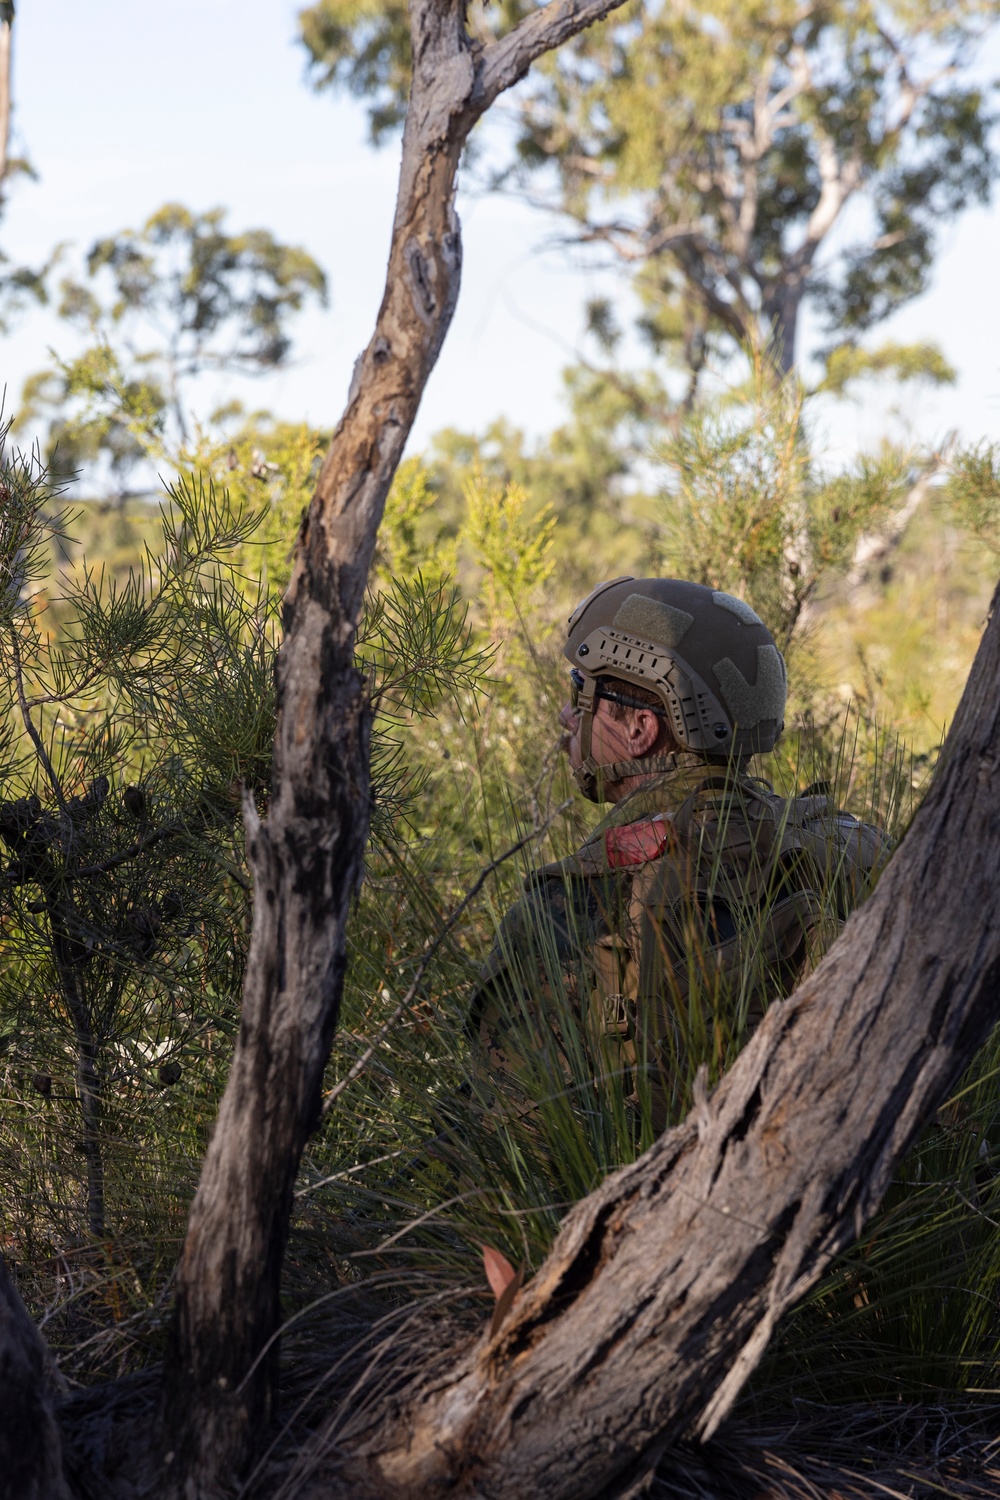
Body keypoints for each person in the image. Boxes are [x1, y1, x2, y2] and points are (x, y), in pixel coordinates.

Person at [471, 577, 888, 1131]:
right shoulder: (851, 847)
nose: (569, 717)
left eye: (583, 690)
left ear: (641, 729)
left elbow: (510, 1141)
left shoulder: (571, 902)